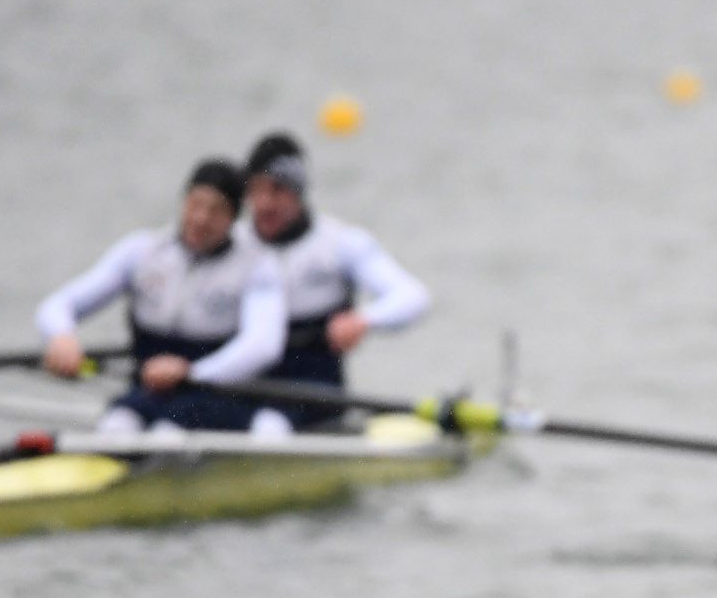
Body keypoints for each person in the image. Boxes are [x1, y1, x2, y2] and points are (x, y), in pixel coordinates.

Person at [36, 159, 287, 434]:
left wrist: (192, 372)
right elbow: (58, 304)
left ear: (233, 217)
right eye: (195, 204)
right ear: (183, 202)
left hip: (217, 393)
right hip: (151, 390)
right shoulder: (142, 252)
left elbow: (263, 346)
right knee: (115, 426)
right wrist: (61, 336)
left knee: (167, 433)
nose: (201, 218)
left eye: (216, 210)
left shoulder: (256, 267)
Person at [240, 131, 430, 427]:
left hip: (316, 394)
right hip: (238, 389)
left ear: (298, 190)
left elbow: (413, 297)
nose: (264, 203)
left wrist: (364, 319)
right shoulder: (231, 245)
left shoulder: (339, 243)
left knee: (269, 423)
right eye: (256, 190)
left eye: (277, 190)